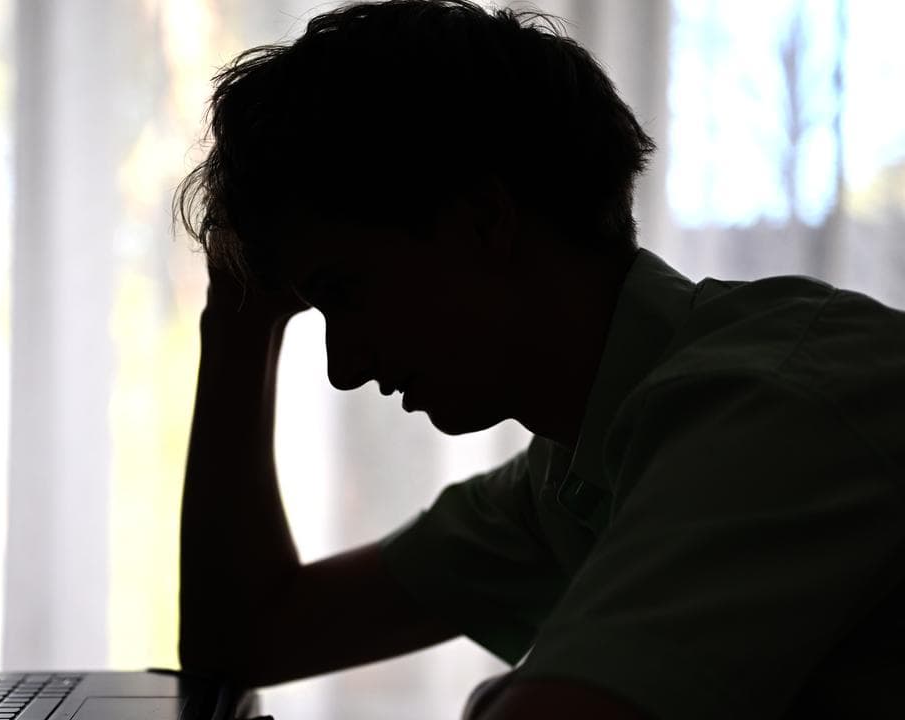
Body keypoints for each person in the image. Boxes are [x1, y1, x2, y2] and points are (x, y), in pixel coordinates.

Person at [174, 2, 905, 718]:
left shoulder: (767, 409)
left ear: (482, 222)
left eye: (343, 292)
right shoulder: (574, 469)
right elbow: (246, 638)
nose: (344, 368)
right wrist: (239, 321)